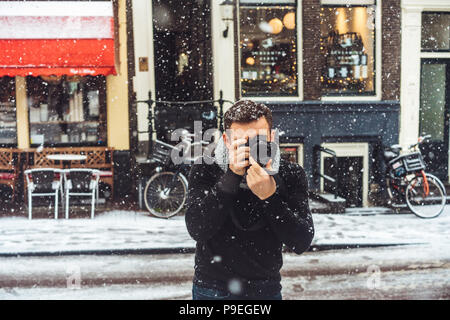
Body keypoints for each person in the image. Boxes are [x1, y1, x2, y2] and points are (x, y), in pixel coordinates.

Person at [185, 100, 314, 300]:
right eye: (241, 141)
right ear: (227, 141)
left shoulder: (290, 174)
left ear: (271, 137)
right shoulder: (206, 168)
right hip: (212, 287)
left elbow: (301, 242)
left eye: (258, 141)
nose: (250, 148)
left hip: (265, 288)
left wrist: (270, 197)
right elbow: (197, 228)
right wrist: (231, 177)